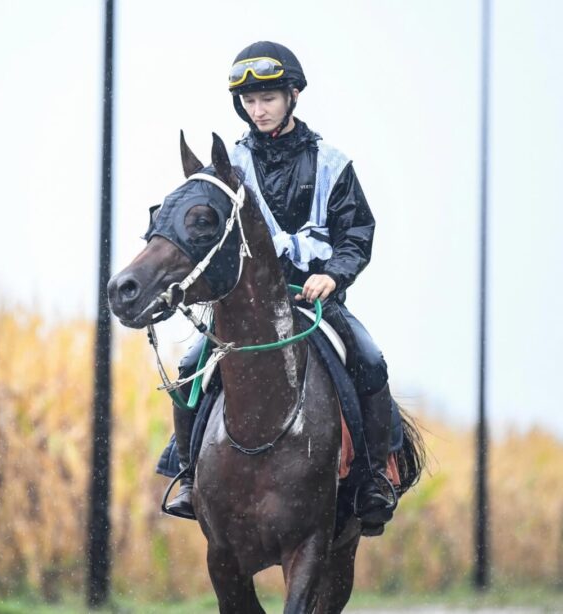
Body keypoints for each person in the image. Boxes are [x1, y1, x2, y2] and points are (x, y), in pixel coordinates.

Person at [166, 41, 400, 536]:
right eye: (249, 102)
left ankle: (376, 476)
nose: (259, 109)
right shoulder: (229, 168)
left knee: (370, 359)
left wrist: (333, 273)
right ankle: (188, 475)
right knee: (189, 368)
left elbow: (358, 230)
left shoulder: (333, 163)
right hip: (249, 305)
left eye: (268, 98)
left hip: (316, 297)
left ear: (292, 96)